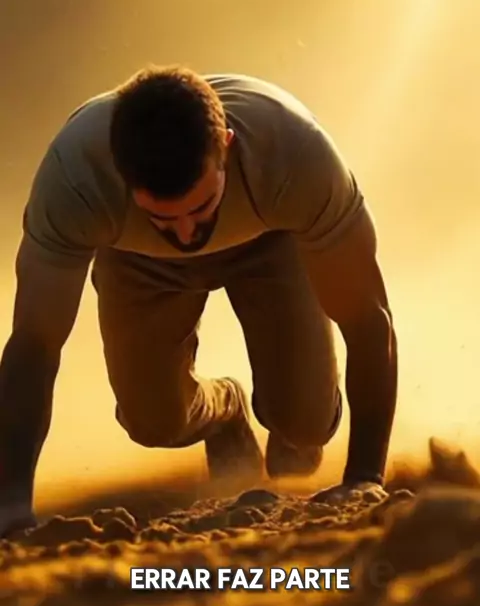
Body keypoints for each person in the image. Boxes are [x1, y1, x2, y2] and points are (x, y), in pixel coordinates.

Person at [0, 67, 397, 535]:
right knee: (154, 423)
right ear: (121, 175)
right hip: (136, 259)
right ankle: (226, 409)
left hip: (272, 241)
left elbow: (368, 319)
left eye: (201, 207)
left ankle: (293, 425)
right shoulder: (74, 180)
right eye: (164, 217)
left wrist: (365, 477)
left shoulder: (296, 155)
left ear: (226, 146)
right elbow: (35, 343)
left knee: (305, 422)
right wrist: (10, 505)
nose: (187, 234)